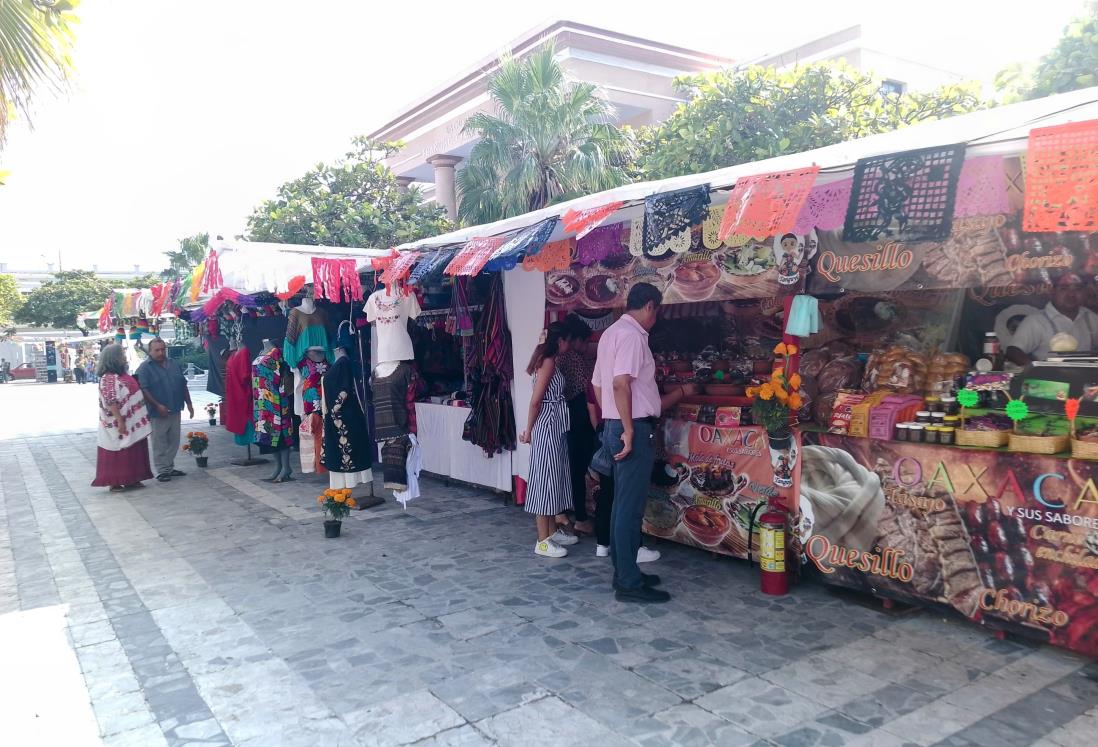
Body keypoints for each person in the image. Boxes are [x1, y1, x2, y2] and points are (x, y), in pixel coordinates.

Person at [592, 282, 691, 603]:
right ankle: (628, 583)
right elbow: (620, 384)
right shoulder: (633, 336)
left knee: (623, 503)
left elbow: (598, 385)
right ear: (649, 306)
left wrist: (610, 420)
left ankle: (625, 572)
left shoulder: (610, 334)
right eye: (656, 311)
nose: (655, 318)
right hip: (630, 427)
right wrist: (628, 429)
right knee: (630, 507)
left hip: (615, 424)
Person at [519, 322, 580, 558]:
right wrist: (529, 430)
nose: (570, 345)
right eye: (568, 340)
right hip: (547, 426)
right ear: (560, 341)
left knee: (554, 477)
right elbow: (536, 400)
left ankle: (551, 532)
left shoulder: (547, 361)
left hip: (554, 426)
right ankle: (542, 540)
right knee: (545, 480)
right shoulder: (549, 362)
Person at [91, 344, 153, 492]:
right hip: (118, 422)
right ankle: (116, 481)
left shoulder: (122, 375)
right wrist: (120, 420)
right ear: (114, 358)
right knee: (118, 450)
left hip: (132, 421)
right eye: (122, 355)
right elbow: (111, 401)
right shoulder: (108, 378)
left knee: (134, 449)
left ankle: (132, 479)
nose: (124, 358)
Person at [556, 315, 596, 536]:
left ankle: (564, 513)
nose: (587, 346)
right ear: (577, 340)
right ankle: (581, 516)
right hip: (579, 417)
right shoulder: (575, 359)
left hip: (564, 417)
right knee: (578, 470)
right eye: (586, 342)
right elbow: (587, 394)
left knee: (568, 468)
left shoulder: (556, 359)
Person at [1006, 273, 1098, 366]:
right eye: (1063, 289)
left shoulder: (1092, 317)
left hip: (1087, 378)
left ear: (1085, 292)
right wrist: (1035, 370)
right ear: (1052, 292)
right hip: (1051, 378)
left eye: (1077, 289)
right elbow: (1013, 351)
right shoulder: (1036, 321)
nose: (1071, 294)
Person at [136, 338, 193, 482]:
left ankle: (169, 467)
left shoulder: (173, 364)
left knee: (174, 440)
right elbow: (143, 389)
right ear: (150, 351)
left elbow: (183, 384)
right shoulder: (144, 368)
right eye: (157, 350)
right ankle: (162, 470)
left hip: (175, 407)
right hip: (157, 412)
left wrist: (189, 403)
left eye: (163, 349)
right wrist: (157, 405)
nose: (161, 352)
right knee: (159, 441)